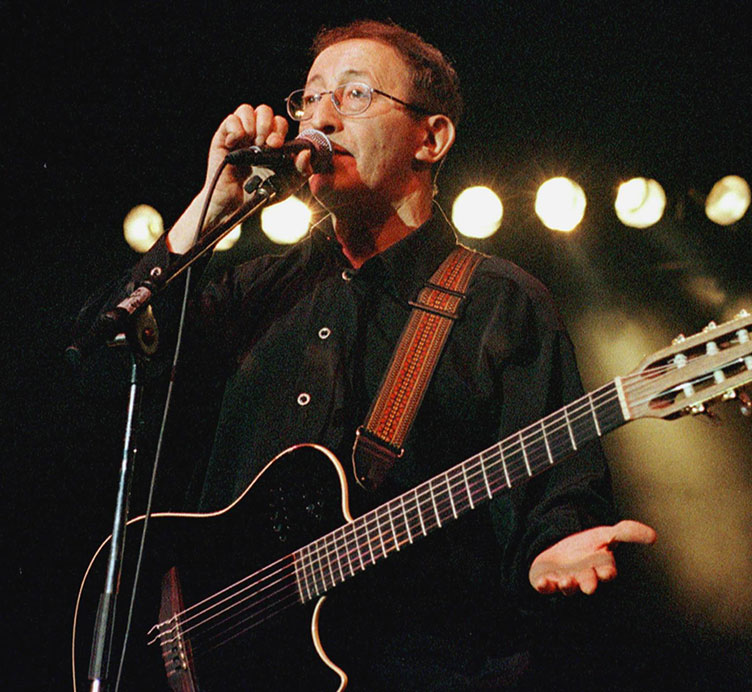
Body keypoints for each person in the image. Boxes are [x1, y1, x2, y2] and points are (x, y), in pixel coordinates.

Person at [75, 19, 655, 691]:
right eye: (310, 97)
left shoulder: (501, 304)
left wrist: (553, 550)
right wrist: (209, 207)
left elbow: (557, 493)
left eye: (354, 94)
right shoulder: (253, 291)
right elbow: (101, 361)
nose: (320, 117)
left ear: (431, 138)